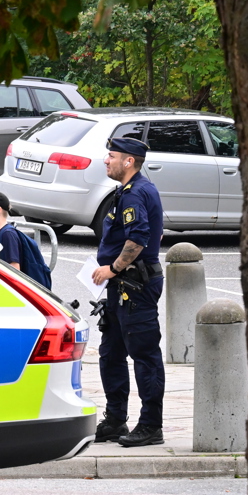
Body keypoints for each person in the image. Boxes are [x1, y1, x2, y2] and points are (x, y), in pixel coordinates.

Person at [89, 137, 166, 447]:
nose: (107, 161)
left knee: (145, 356)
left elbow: (138, 240)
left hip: (135, 286)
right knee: (111, 354)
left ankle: (151, 425)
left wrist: (113, 268)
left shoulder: (136, 194)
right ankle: (116, 419)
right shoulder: (123, 192)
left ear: (129, 161)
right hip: (121, 288)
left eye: (112, 156)